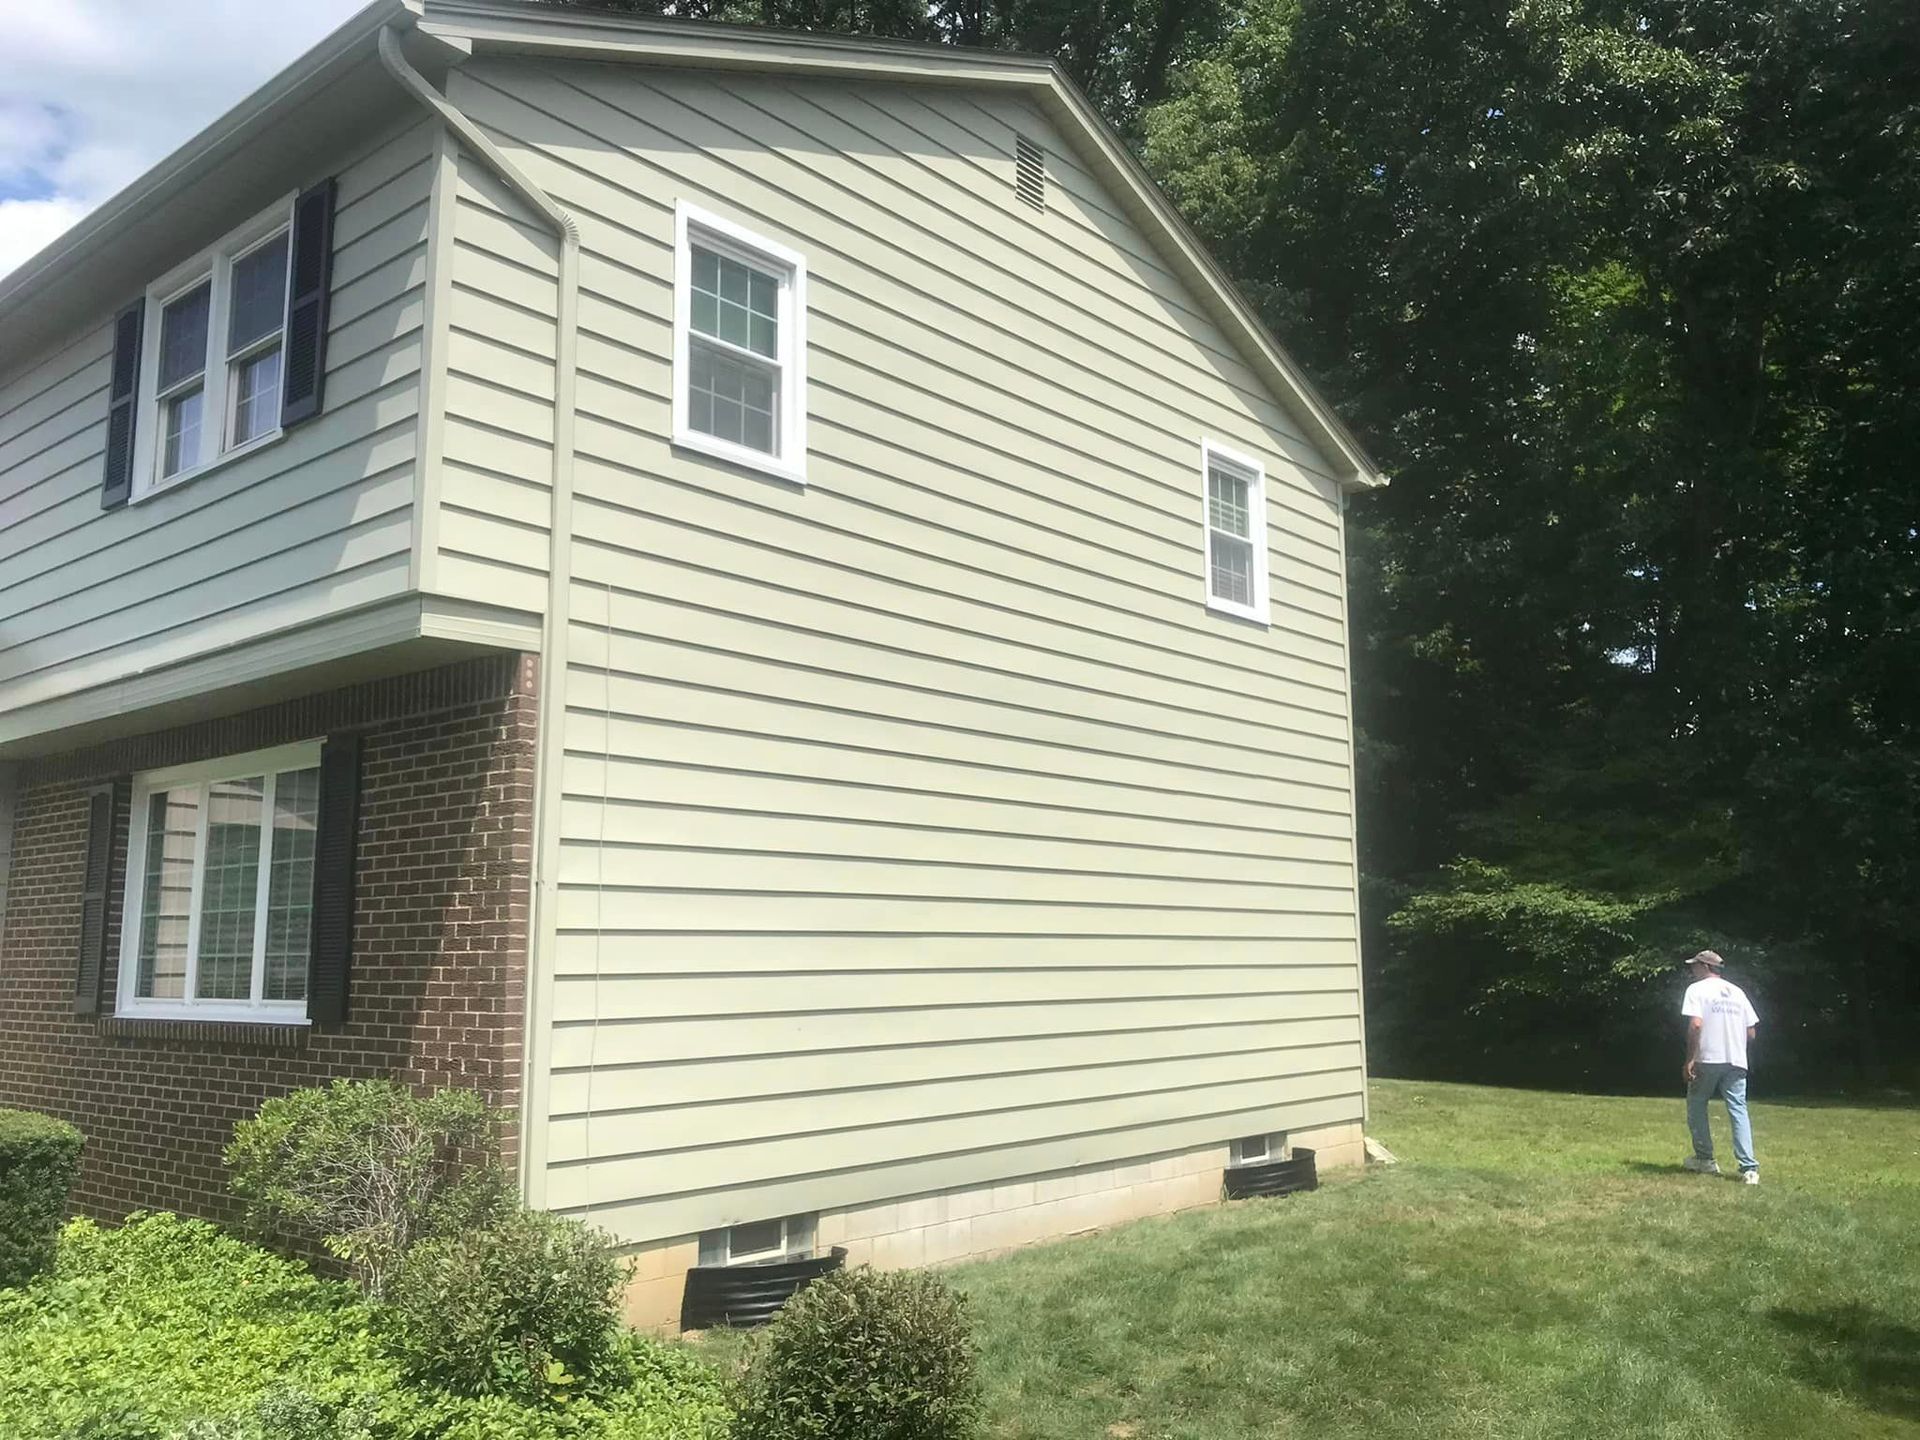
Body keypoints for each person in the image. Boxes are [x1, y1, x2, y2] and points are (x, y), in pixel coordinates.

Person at [1680, 950, 1760, 1184]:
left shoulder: (1696, 990)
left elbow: (1696, 1025)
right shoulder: (1737, 992)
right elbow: (1751, 1032)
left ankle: (1705, 1159)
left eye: (1694, 966)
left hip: (1708, 1058)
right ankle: (1749, 1168)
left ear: (1705, 966)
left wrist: (1690, 1059)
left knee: (1696, 1105)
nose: (1692, 970)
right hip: (1736, 1059)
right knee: (1738, 1110)